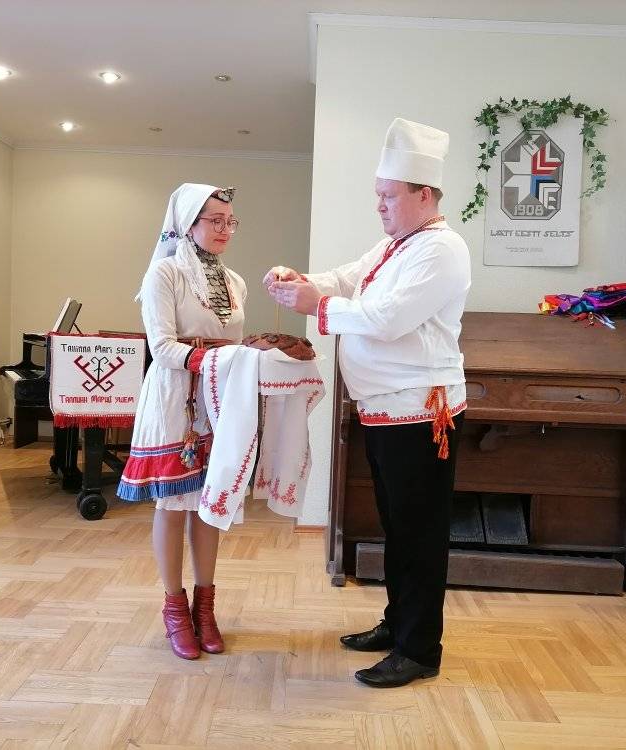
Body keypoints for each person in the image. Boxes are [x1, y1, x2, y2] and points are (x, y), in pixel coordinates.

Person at [265, 118, 470, 687]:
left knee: (418, 533)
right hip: (386, 410)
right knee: (397, 527)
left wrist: (314, 304)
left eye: (389, 195)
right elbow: (346, 278)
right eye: (378, 194)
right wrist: (301, 280)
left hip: (418, 414)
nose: (379, 205)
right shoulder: (396, 244)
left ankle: (419, 649)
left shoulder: (442, 249)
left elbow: (386, 319)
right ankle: (398, 624)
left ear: (423, 195)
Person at [117, 183, 245, 660]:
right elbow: (163, 345)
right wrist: (213, 360)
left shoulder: (236, 281)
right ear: (188, 224)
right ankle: (175, 608)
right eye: (215, 220)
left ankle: (205, 609)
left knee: (209, 503)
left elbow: (232, 342)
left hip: (217, 398)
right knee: (172, 504)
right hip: (174, 397)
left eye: (230, 221)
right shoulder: (164, 274)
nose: (225, 229)